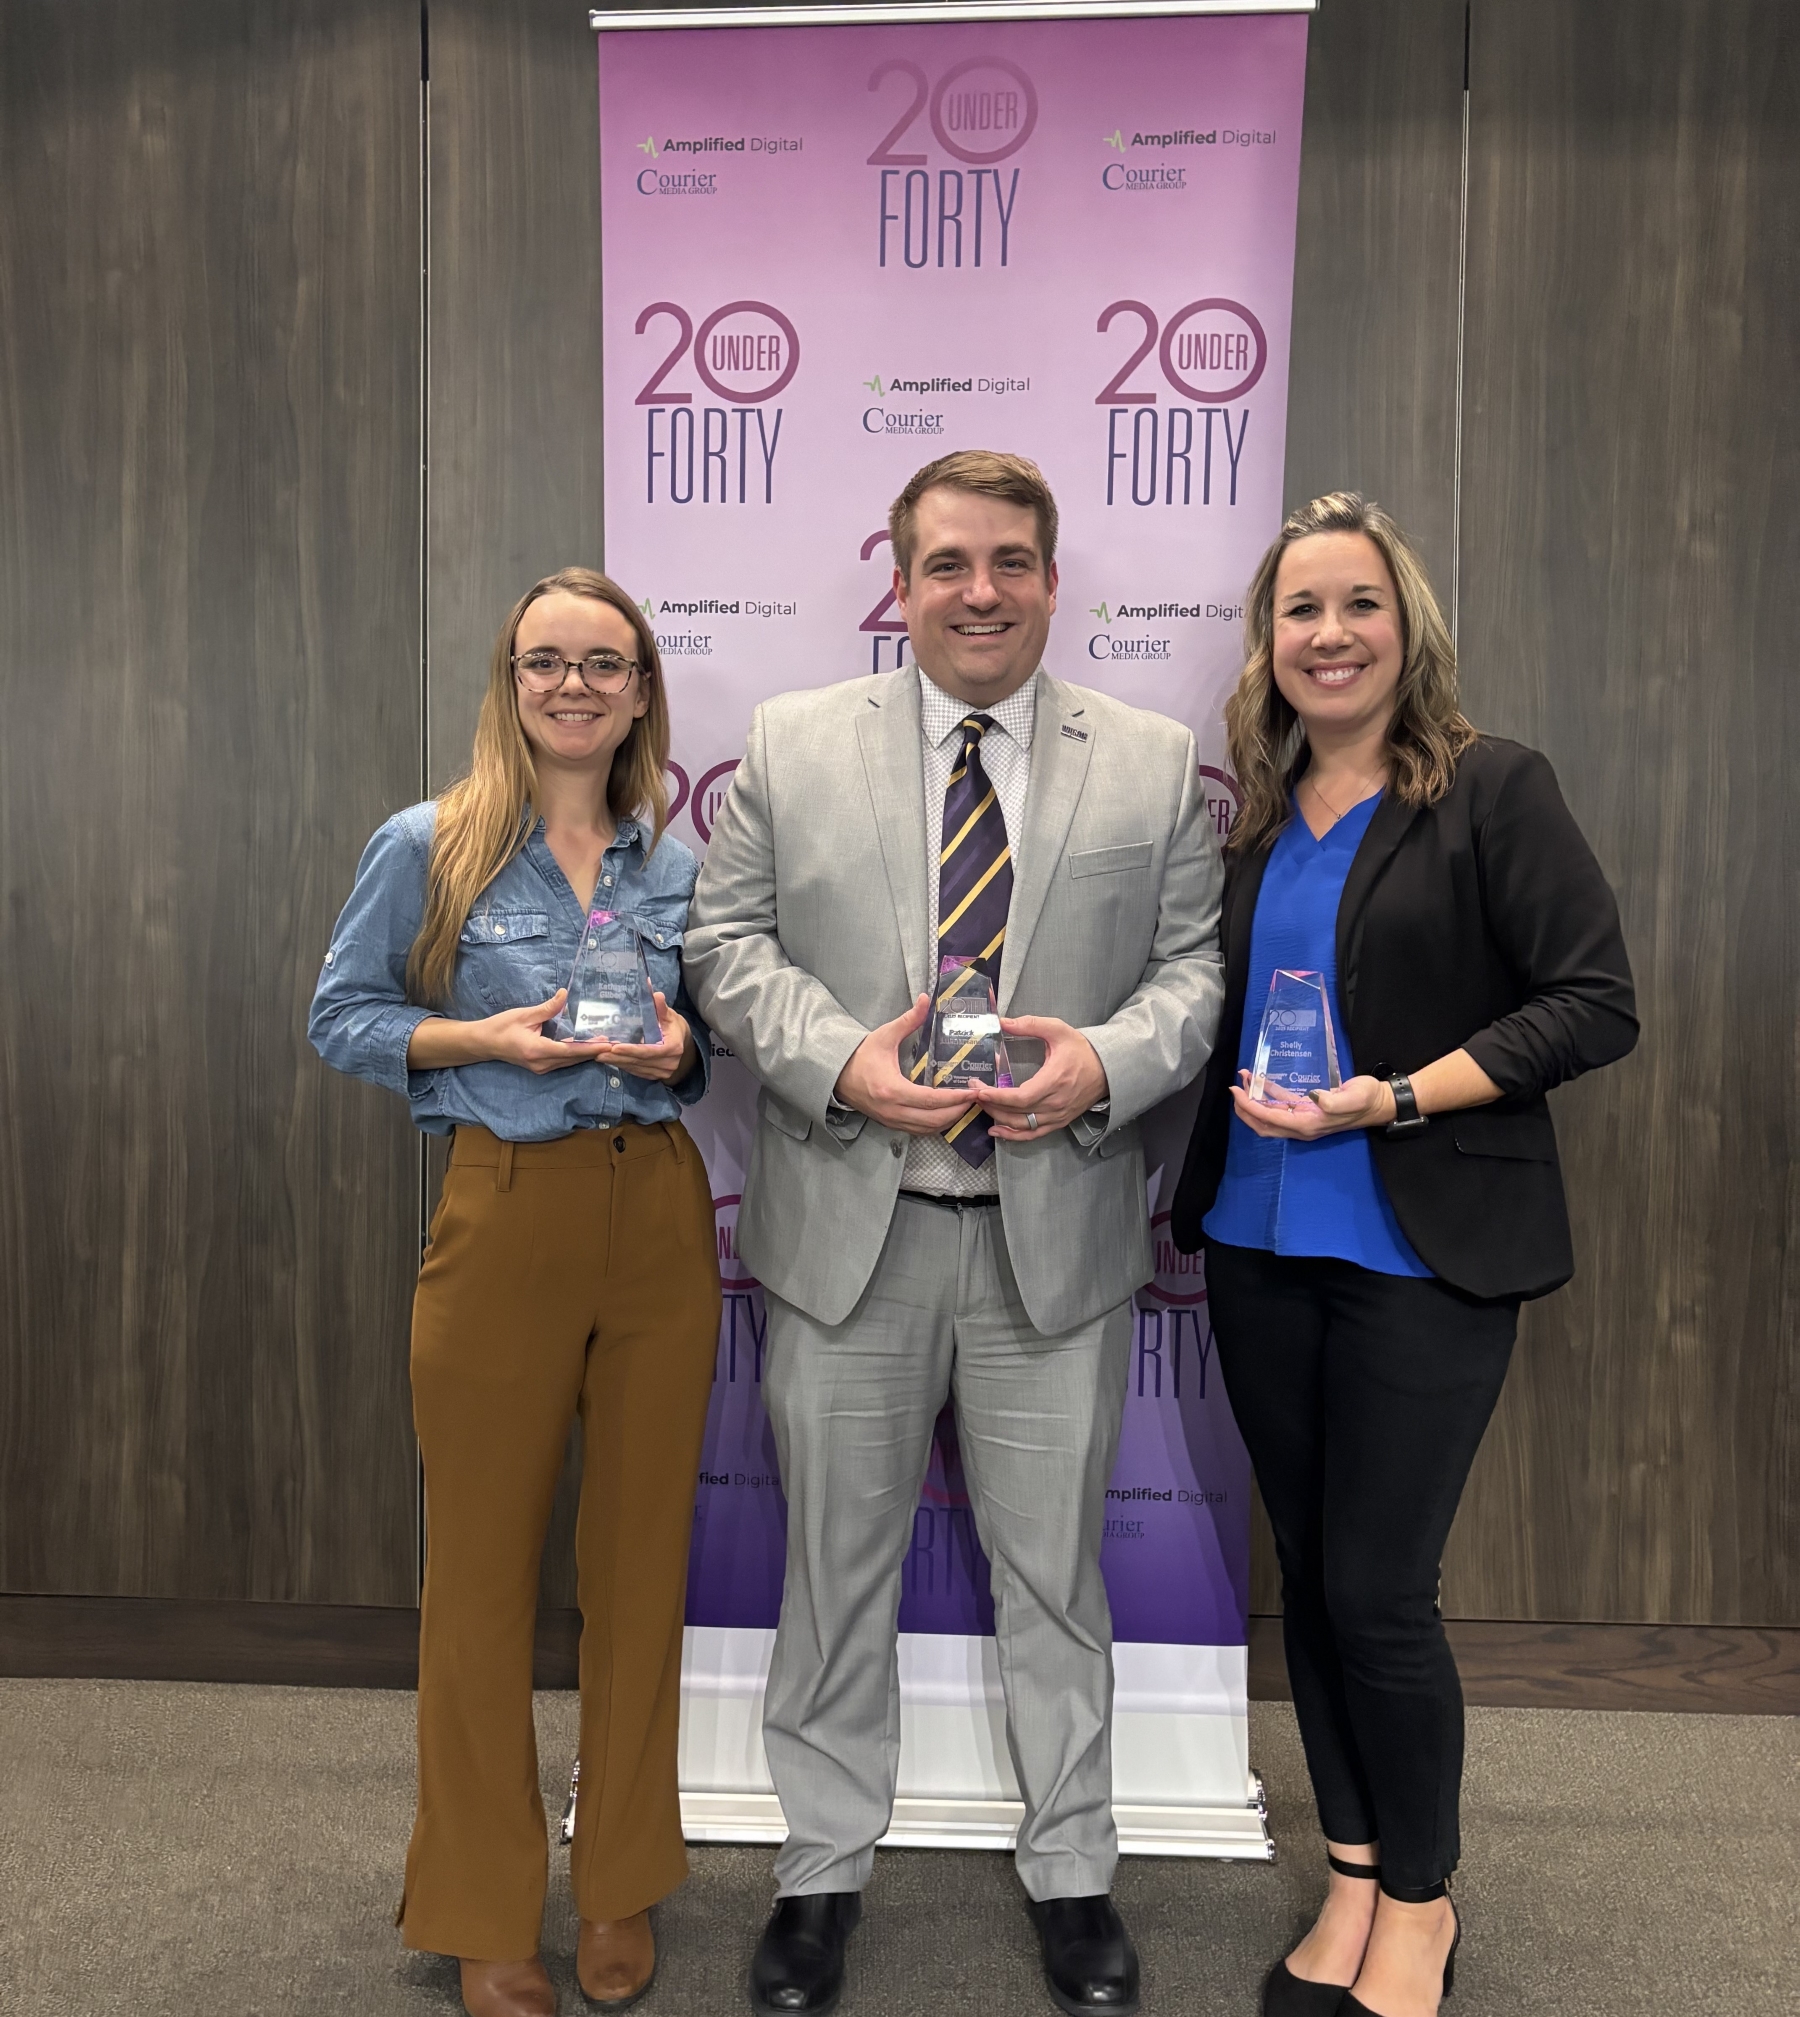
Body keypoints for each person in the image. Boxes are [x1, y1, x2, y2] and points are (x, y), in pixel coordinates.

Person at [683, 450, 1225, 2017]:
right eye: (945, 564)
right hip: (853, 1229)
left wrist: (1106, 1067)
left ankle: (1073, 1873)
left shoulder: (1152, 759)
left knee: (1055, 1578)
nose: (976, 591)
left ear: (1053, 578)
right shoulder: (789, 747)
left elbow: (1192, 973)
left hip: (1050, 1240)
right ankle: (819, 1873)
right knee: (835, 1571)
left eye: (1007, 561)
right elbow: (723, 946)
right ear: (899, 581)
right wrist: (847, 1060)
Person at [1169, 493, 1637, 2017]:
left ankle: (1424, 1904)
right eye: (1300, 610)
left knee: (1381, 1590)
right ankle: (1355, 1867)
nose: (1330, 634)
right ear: (1268, 642)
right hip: (1254, 1241)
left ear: (1405, 624)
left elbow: (1592, 1000)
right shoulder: (1247, 814)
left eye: (1358, 604)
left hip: (1421, 1252)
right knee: (1308, 1582)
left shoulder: (1490, 788)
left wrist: (1397, 1094)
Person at [309, 568, 720, 2017]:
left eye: (602, 662)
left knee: (639, 1571)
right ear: (511, 679)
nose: (573, 684)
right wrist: (480, 1035)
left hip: (659, 1219)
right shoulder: (429, 844)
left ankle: (618, 1879)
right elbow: (342, 1016)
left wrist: (683, 1057)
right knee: (478, 1583)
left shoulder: (678, 860)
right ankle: (485, 1902)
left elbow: (707, 1042)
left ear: (639, 689)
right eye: (546, 660)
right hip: (503, 1207)